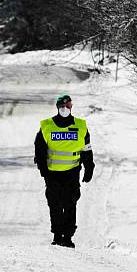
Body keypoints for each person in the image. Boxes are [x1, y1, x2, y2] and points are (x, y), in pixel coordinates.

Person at [34, 94, 94, 248]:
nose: (65, 108)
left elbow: (86, 149)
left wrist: (89, 167)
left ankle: (67, 236)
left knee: (70, 203)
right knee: (54, 204)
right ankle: (57, 234)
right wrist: (43, 170)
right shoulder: (46, 126)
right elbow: (39, 151)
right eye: (62, 106)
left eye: (68, 106)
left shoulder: (81, 126)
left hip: (72, 172)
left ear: (72, 107)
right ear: (57, 107)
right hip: (52, 173)